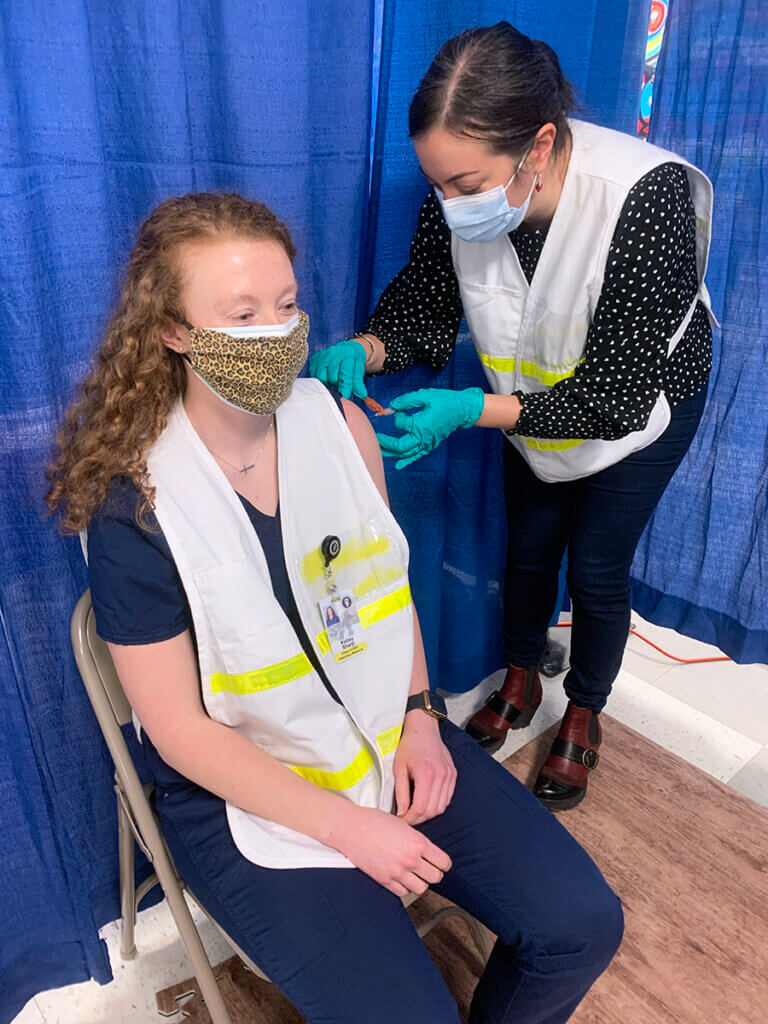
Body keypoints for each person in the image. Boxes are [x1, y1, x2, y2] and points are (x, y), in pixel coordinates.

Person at [46, 192, 622, 1024]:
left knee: (583, 926)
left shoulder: (340, 423)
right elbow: (178, 733)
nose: (275, 333)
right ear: (171, 330)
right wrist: (350, 830)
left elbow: (386, 593)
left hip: (387, 737)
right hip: (246, 800)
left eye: (285, 306)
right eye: (240, 313)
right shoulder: (136, 502)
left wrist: (423, 717)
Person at [310, 22, 716, 811]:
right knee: (527, 553)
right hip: (521, 406)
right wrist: (366, 346)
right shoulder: (459, 198)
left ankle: (587, 710)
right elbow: (426, 305)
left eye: (464, 183)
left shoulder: (644, 198)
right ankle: (523, 675)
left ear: (538, 144)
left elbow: (617, 395)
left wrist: (472, 408)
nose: (448, 202)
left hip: (641, 408)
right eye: (437, 184)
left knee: (596, 569)